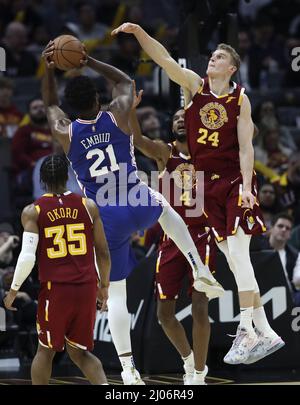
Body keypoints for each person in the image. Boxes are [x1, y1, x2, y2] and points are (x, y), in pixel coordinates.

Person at [41, 42, 223, 384]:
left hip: (104, 215)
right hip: (136, 198)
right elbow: (125, 81)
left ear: (71, 108)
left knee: (117, 296)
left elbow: (49, 103)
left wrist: (50, 68)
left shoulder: (66, 131)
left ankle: (127, 370)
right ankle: (199, 267)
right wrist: (88, 59)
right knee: (168, 207)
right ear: (98, 100)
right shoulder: (117, 114)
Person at [112, 22, 285, 364]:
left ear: (231, 68)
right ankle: (266, 332)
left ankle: (248, 328)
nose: (212, 59)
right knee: (236, 262)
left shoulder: (241, 99)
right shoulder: (195, 85)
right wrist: (138, 32)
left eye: (219, 57)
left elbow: (247, 148)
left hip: (234, 181)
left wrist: (249, 188)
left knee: (239, 256)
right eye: (212, 55)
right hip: (206, 187)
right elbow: (163, 60)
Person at [4, 154, 110, 385]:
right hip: (86, 287)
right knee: (79, 352)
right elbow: (102, 252)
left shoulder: (33, 211)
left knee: (45, 351)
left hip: (56, 290)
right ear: (67, 177)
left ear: (42, 180)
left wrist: (13, 291)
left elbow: (27, 257)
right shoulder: (88, 205)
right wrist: (104, 287)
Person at [130, 98, 215, 385]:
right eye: (176, 117)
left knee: (200, 305)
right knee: (164, 314)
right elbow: (137, 139)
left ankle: (200, 375)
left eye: (184, 117)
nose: (179, 120)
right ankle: (189, 362)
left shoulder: (208, 154)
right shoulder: (165, 153)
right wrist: (130, 108)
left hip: (202, 237)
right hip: (171, 239)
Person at [254, 213, 300, 307]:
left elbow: (296, 281)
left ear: (290, 235)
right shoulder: (257, 248)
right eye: (280, 226)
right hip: (259, 292)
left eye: (288, 228)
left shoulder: (295, 255)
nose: (284, 230)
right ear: (271, 229)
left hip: (286, 294)